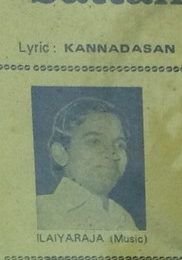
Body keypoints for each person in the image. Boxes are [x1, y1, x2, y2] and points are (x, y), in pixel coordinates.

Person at [37, 97, 138, 230]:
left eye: (120, 145)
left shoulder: (123, 218)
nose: (113, 153)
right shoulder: (40, 212)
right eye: (95, 141)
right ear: (60, 153)